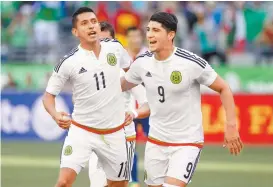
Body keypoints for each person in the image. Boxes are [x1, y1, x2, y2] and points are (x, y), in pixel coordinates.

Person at [121, 12, 243, 187]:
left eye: (156, 30)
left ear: (171, 35)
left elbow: (223, 88)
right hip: (156, 141)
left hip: (186, 142)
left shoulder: (190, 63)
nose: (149, 35)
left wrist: (231, 125)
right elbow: (121, 85)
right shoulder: (142, 63)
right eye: (148, 30)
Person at [43, 7, 132, 187]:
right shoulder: (69, 62)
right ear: (75, 32)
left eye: (93, 22)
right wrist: (55, 115)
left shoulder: (115, 48)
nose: (91, 26)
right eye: (84, 23)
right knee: (63, 182)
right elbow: (48, 97)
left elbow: (131, 75)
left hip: (115, 132)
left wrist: (130, 105)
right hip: (82, 131)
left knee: (119, 184)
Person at [88, 21, 149, 187]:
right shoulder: (87, 73)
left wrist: (134, 114)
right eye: (99, 41)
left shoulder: (126, 75)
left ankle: (137, 180)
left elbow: (146, 103)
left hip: (122, 139)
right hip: (97, 140)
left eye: (107, 41)